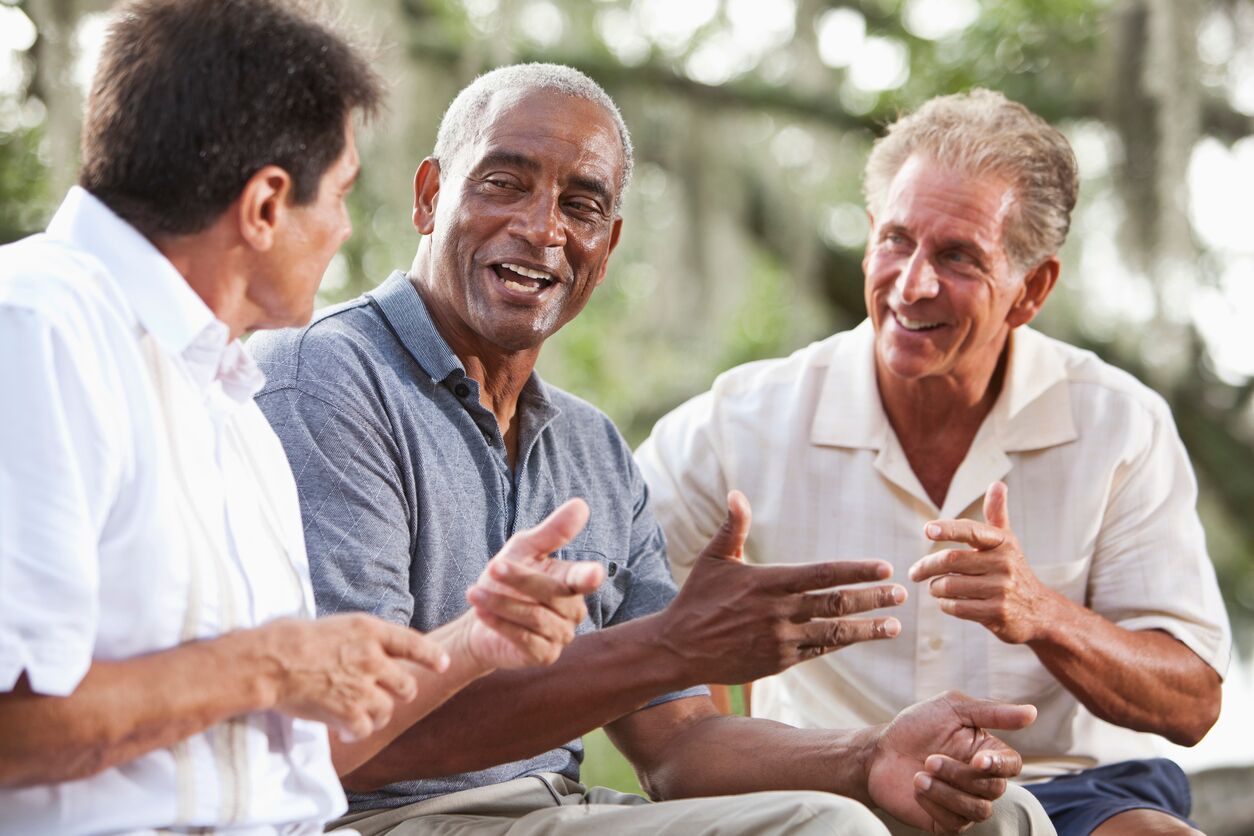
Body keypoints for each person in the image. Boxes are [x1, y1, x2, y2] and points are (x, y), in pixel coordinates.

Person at [250, 64, 1054, 835]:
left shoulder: (592, 445)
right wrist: (672, 645)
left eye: (583, 204)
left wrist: (870, 755)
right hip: (386, 819)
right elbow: (354, 738)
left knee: (1000, 817)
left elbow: (676, 747)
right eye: (505, 182)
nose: (543, 228)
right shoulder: (326, 378)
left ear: (609, 243)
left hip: (560, 808)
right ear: (430, 196)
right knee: (824, 829)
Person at [0, 3, 600, 833]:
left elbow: (304, 750)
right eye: (343, 194)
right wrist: (270, 664)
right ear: (265, 205)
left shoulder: (228, 397)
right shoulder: (34, 330)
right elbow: (16, 730)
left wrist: (472, 641)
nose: (347, 229)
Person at [637, 89, 1231, 836]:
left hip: (1064, 790)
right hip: (827, 785)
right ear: (866, 239)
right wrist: (697, 722)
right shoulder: (743, 418)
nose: (912, 283)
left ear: (1032, 290)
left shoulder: (1121, 423)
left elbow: (1192, 701)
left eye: (957, 257)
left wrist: (1042, 614)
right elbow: (611, 596)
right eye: (896, 240)